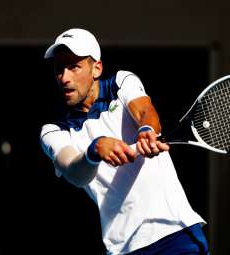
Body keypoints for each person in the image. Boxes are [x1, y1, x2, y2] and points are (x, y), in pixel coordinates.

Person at [40, 28, 210, 255]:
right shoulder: (53, 131)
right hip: (124, 249)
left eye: (74, 66)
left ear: (96, 68)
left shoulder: (121, 82)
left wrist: (147, 130)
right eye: (59, 69)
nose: (64, 77)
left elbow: (144, 111)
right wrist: (95, 150)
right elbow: (76, 173)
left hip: (176, 234)